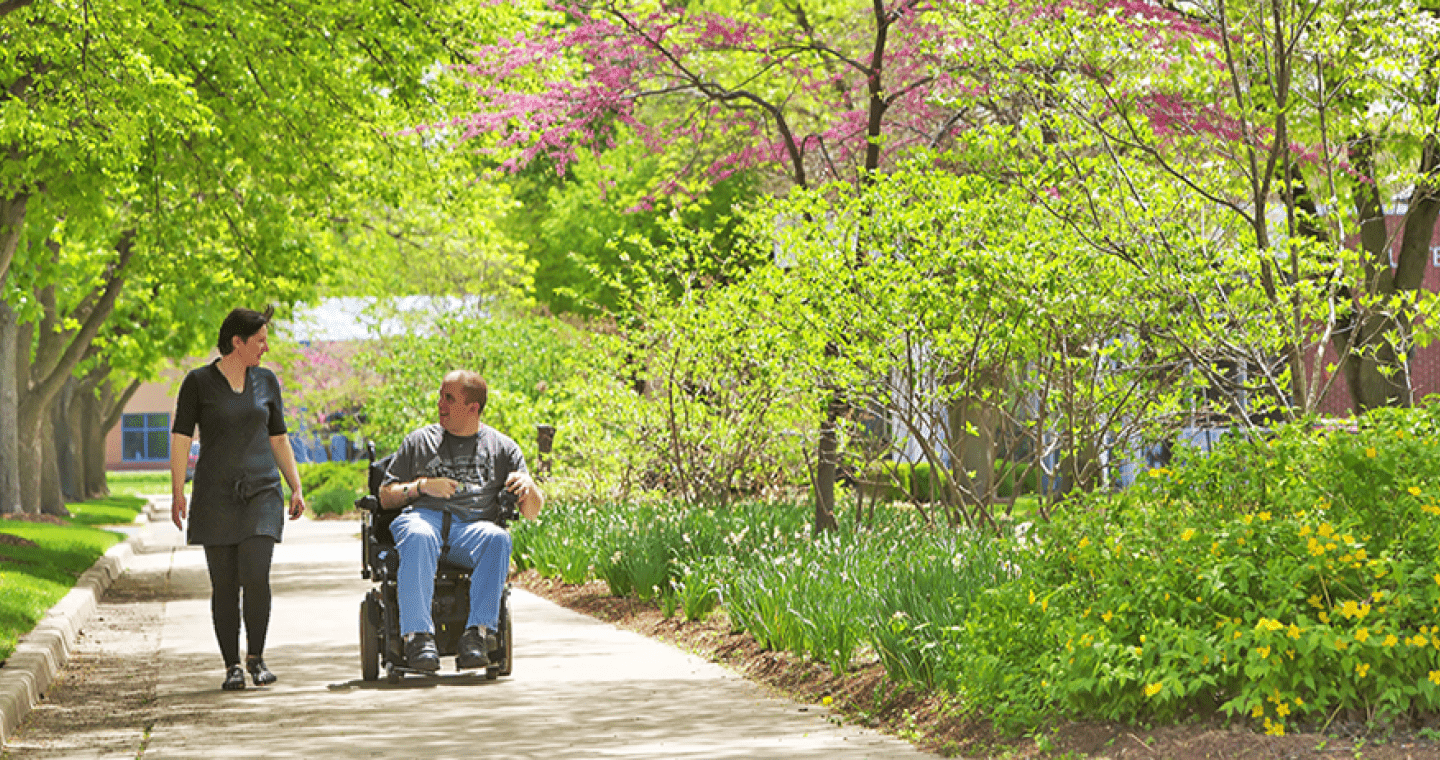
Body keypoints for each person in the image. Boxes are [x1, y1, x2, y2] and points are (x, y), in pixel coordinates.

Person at [169, 306, 306, 691]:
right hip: (215, 494)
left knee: (256, 574)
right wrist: (177, 490)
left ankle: (256, 658)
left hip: (262, 490)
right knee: (225, 584)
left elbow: (278, 437)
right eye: (259, 341)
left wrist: (294, 485)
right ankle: (232, 664)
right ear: (237, 342)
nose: (265, 348)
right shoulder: (197, 383)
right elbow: (181, 438)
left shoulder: (267, 382)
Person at [378, 369, 543, 672]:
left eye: (449, 398)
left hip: (471, 529)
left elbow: (532, 511)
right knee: (418, 534)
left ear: (473, 409)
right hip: (424, 519)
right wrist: (422, 486)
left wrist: (529, 487)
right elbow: (385, 495)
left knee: (498, 538)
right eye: (441, 395)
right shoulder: (419, 441)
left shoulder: (502, 448)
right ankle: (417, 637)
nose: (440, 403)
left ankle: (476, 635)